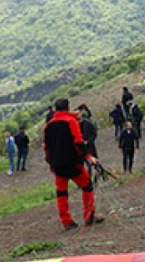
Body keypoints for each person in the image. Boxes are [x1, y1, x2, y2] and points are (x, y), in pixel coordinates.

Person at [44, 98, 102, 229]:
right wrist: (88, 156)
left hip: (57, 165)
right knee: (87, 186)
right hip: (73, 163)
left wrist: (50, 164)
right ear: (68, 107)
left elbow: (46, 147)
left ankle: (66, 221)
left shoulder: (48, 125)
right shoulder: (71, 121)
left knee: (61, 192)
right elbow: (78, 142)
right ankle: (89, 215)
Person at [77, 105, 99, 184]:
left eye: (78, 113)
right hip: (80, 149)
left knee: (95, 165)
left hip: (90, 148)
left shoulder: (87, 123)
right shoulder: (74, 125)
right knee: (83, 167)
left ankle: (95, 180)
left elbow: (94, 133)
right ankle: (85, 182)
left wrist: (88, 141)